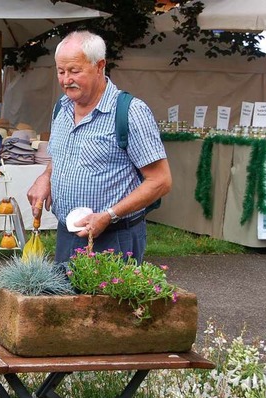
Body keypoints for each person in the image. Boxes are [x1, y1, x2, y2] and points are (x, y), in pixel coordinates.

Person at [27, 31, 172, 264]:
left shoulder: (130, 112)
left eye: (74, 71)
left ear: (99, 66)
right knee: (64, 300)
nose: (66, 80)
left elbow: (161, 181)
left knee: (108, 301)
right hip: (68, 234)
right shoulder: (62, 109)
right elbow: (61, 158)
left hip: (114, 237)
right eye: (61, 71)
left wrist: (108, 215)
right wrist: (46, 177)